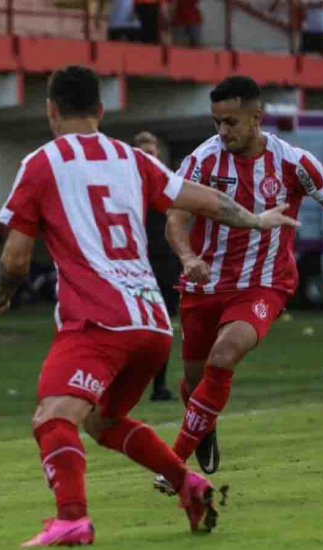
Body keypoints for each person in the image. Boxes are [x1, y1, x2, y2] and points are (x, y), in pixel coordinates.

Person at [0, 65, 298, 546]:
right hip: (151, 324)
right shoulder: (130, 158)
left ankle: (72, 519)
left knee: (52, 417)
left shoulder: (41, 163)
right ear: (101, 110)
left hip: (98, 320)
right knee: (101, 421)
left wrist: (0, 299)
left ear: (51, 111)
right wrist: (255, 220)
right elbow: (206, 200)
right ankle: (188, 484)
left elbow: (16, 259)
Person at [154, 75, 323, 493]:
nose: (222, 131)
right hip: (204, 285)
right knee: (195, 382)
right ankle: (205, 426)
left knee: (225, 354)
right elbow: (175, 218)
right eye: (216, 122)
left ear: (257, 118)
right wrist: (188, 257)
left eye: (231, 122)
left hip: (264, 283)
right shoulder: (202, 161)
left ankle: (173, 464)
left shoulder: (294, 162)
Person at [132, 131, 181, 401]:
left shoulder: (169, 182)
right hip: (133, 264)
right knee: (133, 325)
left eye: (151, 153)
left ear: (158, 155)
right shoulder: (126, 184)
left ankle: (159, 386)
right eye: (142, 154)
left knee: (163, 325)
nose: (147, 158)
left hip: (165, 263)